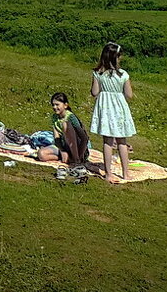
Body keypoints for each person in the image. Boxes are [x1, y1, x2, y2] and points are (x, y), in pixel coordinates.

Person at [90, 41, 137, 184]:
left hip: (105, 109)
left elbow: (94, 92)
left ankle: (108, 173)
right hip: (119, 109)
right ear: (116, 57)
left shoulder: (98, 73)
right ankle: (125, 173)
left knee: (108, 141)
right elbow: (129, 95)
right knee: (122, 141)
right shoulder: (123, 75)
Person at [36, 92, 89, 176]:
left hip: (78, 148)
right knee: (41, 154)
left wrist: (80, 155)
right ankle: (68, 158)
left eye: (57, 105)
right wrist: (62, 150)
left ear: (65, 105)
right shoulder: (54, 117)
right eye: (53, 105)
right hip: (64, 146)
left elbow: (84, 138)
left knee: (65, 124)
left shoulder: (71, 117)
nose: (54, 107)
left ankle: (76, 160)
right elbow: (56, 137)